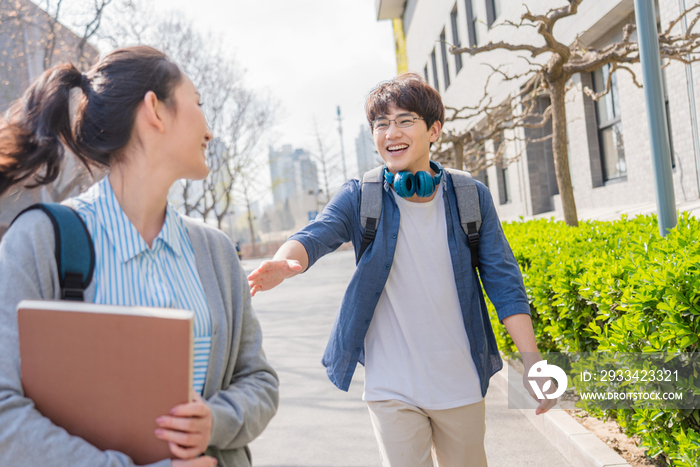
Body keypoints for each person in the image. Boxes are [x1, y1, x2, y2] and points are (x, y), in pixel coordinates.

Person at [247, 73, 556, 467]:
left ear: (434, 130)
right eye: (381, 124)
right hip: (390, 387)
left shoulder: (469, 196)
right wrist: (286, 261)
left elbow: (504, 281)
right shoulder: (362, 196)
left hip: (459, 381)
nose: (390, 132)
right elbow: (316, 233)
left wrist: (533, 364)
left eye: (405, 120)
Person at [0, 46, 278, 467]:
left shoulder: (216, 252)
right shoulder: (40, 241)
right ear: (155, 111)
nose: (210, 130)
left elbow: (257, 379)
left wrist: (214, 421)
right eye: (198, 105)